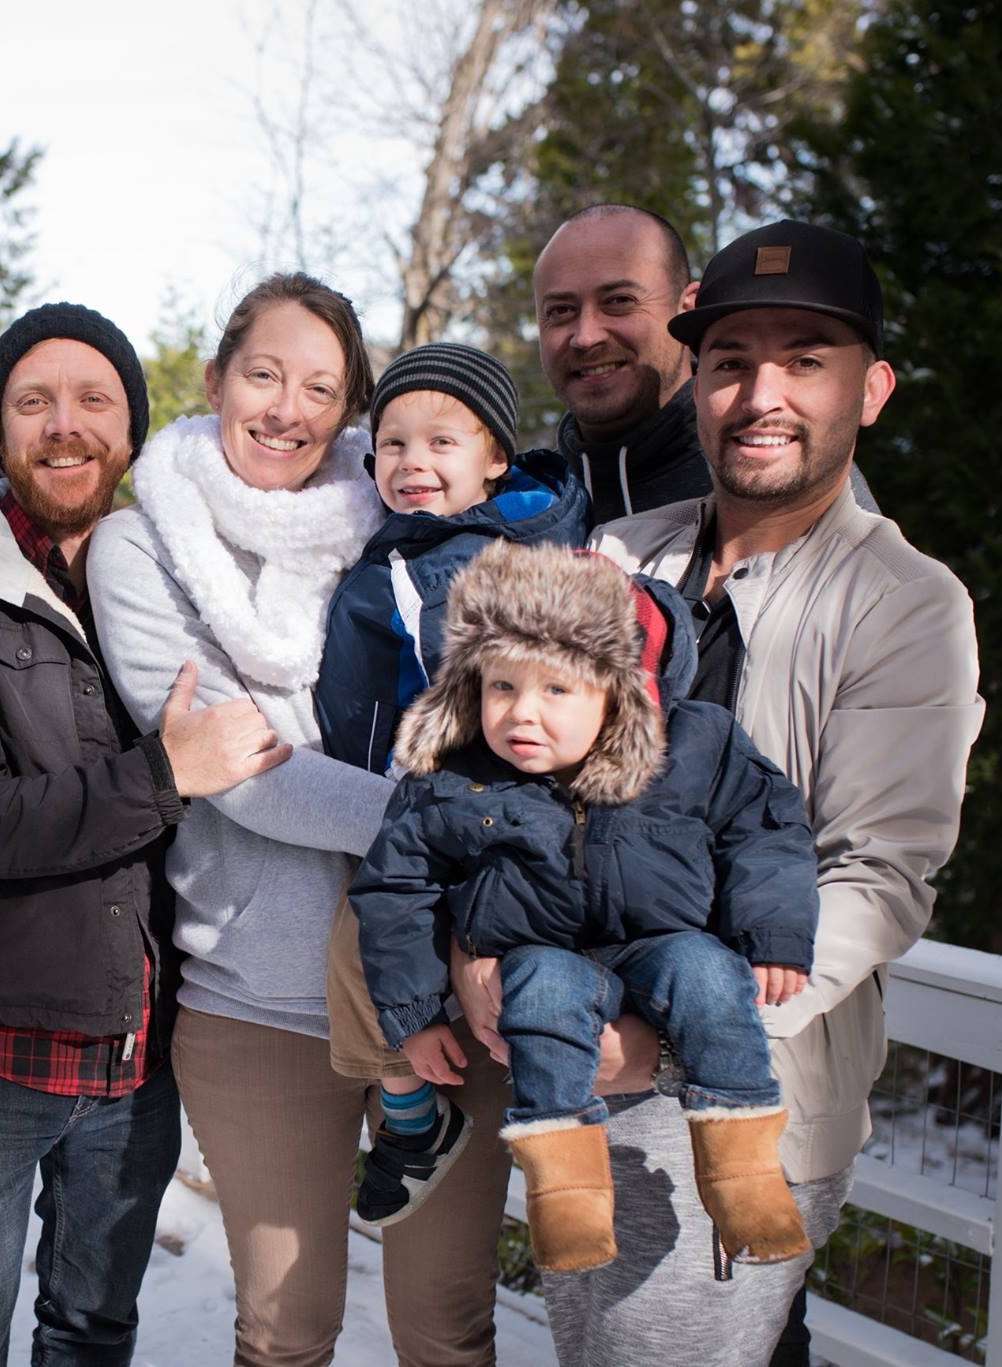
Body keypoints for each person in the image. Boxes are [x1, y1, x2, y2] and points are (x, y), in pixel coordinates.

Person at [527, 219, 986, 1365]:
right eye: (730, 360)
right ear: (694, 381)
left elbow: (876, 880)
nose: (759, 393)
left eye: (802, 360)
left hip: (743, 1089)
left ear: (868, 389)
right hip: (577, 1070)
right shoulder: (621, 559)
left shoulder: (904, 603)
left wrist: (657, 1037)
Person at [88, 274, 515, 1366]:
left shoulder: (402, 521)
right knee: (284, 1329)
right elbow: (240, 768)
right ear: (218, 377)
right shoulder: (140, 545)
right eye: (264, 373)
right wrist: (451, 819)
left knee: (446, 1325)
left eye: (319, 386)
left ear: (350, 412)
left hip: (439, 980)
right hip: (261, 997)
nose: (285, 406)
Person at [0, 301, 282, 1366]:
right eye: (32, 400)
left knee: (92, 1330)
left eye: (94, 400)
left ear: (132, 429)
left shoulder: (184, 587)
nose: (64, 425)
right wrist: (167, 771)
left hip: (140, 1047)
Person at [350, 540, 821, 1275]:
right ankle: (565, 1191)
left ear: (620, 689)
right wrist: (414, 1016)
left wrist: (775, 934)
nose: (520, 715)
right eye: (501, 686)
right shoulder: (456, 773)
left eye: (555, 690)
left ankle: (745, 1173)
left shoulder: (697, 745)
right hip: (539, 953)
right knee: (538, 994)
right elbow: (396, 889)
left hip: (664, 941)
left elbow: (764, 829)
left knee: (708, 976)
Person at [313, 342, 591, 1227]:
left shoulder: (451, 561)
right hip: (436, 790)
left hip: (455, 791)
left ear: (494, 458)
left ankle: (411, 1118)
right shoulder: (427, 543)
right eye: (393, 445)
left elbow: (463, 674)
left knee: (365, 934)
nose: (413, 464)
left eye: (442, 444)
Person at [535, 203, 874, 525]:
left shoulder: (771, 467)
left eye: (620, 301)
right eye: (560, 311)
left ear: (688, 308)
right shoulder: (522, 501)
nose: (586, 336)